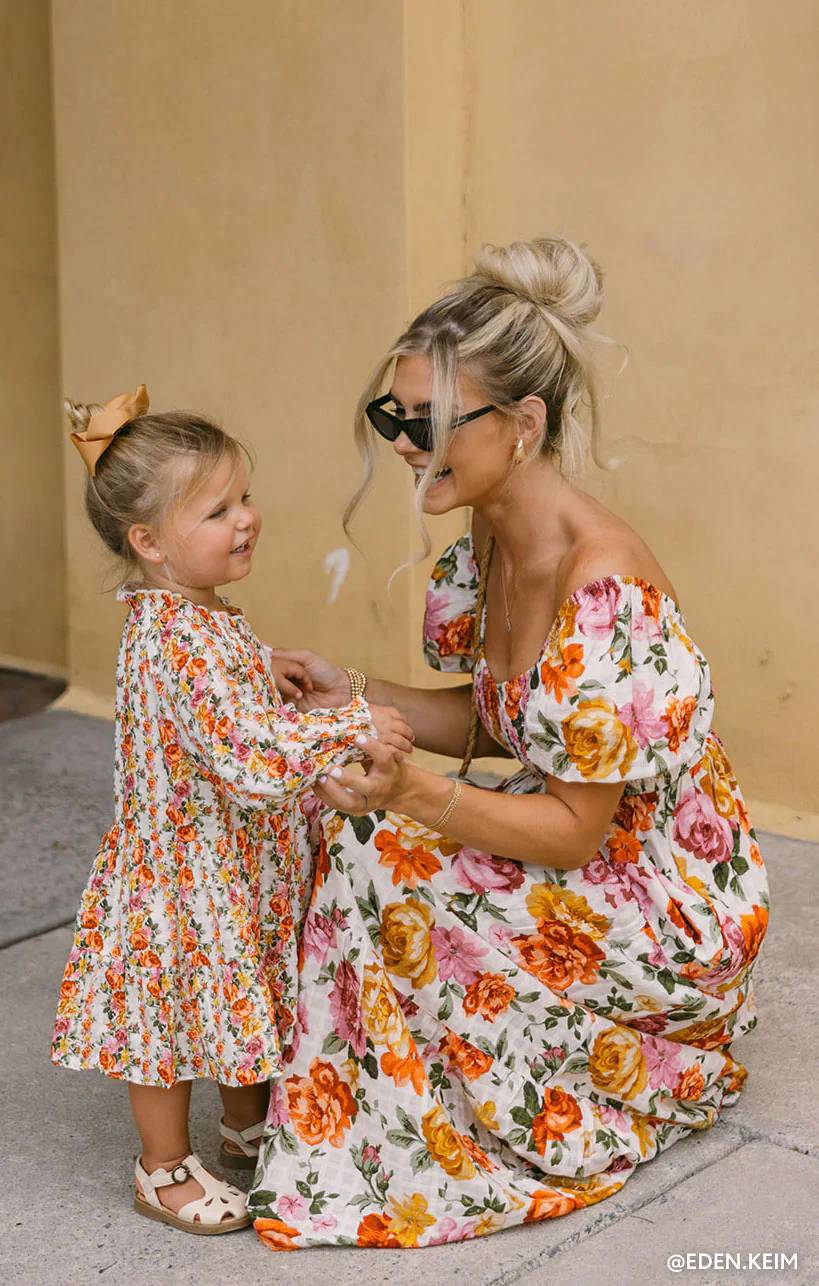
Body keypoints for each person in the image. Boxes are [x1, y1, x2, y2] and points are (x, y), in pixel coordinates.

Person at [248, 237, 769, 1250]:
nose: (406, 444)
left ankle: (415, 1128)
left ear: (524, 424)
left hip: (662, 899)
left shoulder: (602, 582)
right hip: (583, 843)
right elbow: (508, 719)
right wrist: (350, 692)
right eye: (393, 416)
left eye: (430, 421)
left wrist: (408, 792)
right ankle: (361, 1097)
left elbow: (576, 830)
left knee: (374, 845)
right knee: (315, 798)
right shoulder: (487, 530)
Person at [51, 387, 413, 1234]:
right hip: (184, 871)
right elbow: (240, 752)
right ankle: (162, 1167)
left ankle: (248, 1126)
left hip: (232, 861)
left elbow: (225, 698)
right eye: (217, 511)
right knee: (171, 1020)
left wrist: (264, 669)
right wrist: (348, 723)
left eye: (243, 496)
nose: (245, 518)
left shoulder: (199, 613)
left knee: (243, 990)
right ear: (149, 543)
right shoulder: (173, 634)